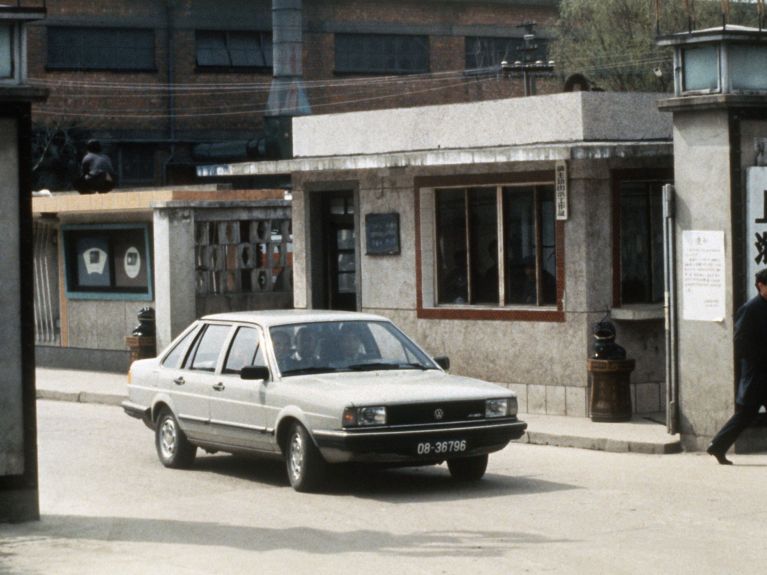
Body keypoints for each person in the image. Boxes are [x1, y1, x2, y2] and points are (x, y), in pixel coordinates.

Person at [707, 268, 767, 465]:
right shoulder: (750, 309)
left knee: (745, 414)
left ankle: (717, 445)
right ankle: (718, 445)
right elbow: (740, 343)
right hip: (756, 373)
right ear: (760, 286)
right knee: (745, 414)